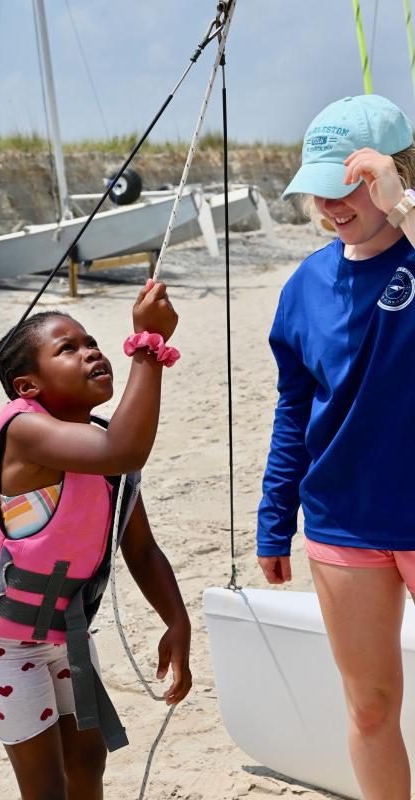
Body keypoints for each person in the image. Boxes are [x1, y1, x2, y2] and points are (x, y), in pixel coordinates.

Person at [0, 278, 192, 800]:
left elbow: (141, 547)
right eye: (68, 349)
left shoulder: (105, 445)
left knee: (88, 760)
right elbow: (125, 450)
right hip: (6, 642)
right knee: (44, 783)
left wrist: (175, 619)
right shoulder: (25, 432)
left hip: (67, 633)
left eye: (91, 342)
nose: (91, 352)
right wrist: (149, 347)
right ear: (28, 387)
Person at [256, 94, 415, 800]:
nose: (327, 201)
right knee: (369, 706)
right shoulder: (304, 285)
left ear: (389, 173)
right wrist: (273, 517)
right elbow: (294, 410)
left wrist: (404, 206)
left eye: (345, 181)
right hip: (341, 523)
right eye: (317, 185)